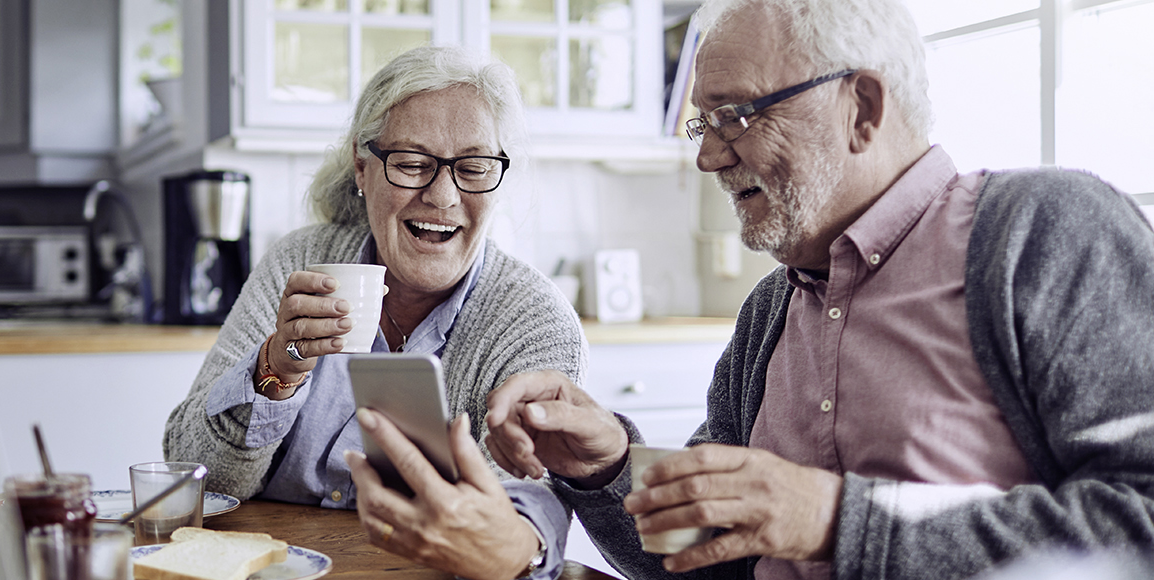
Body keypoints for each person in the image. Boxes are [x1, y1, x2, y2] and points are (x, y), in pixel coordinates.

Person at [351, 0, 1154, 579]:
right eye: (706, 124)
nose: (708, 157)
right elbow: (702, 565)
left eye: (735, 115)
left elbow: (1139, 523)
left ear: (862, 108)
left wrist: (834, 519)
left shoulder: (1042, 231)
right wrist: (607, 466)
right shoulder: (771, 311)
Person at [162, 45, 585, 580]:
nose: (443, 196)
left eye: (473, 168)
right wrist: (275, 370)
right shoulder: (299, 264)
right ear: (364, 168)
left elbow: (513, 525)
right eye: (412, 164)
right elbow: (192, 477)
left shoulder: (533, 323)